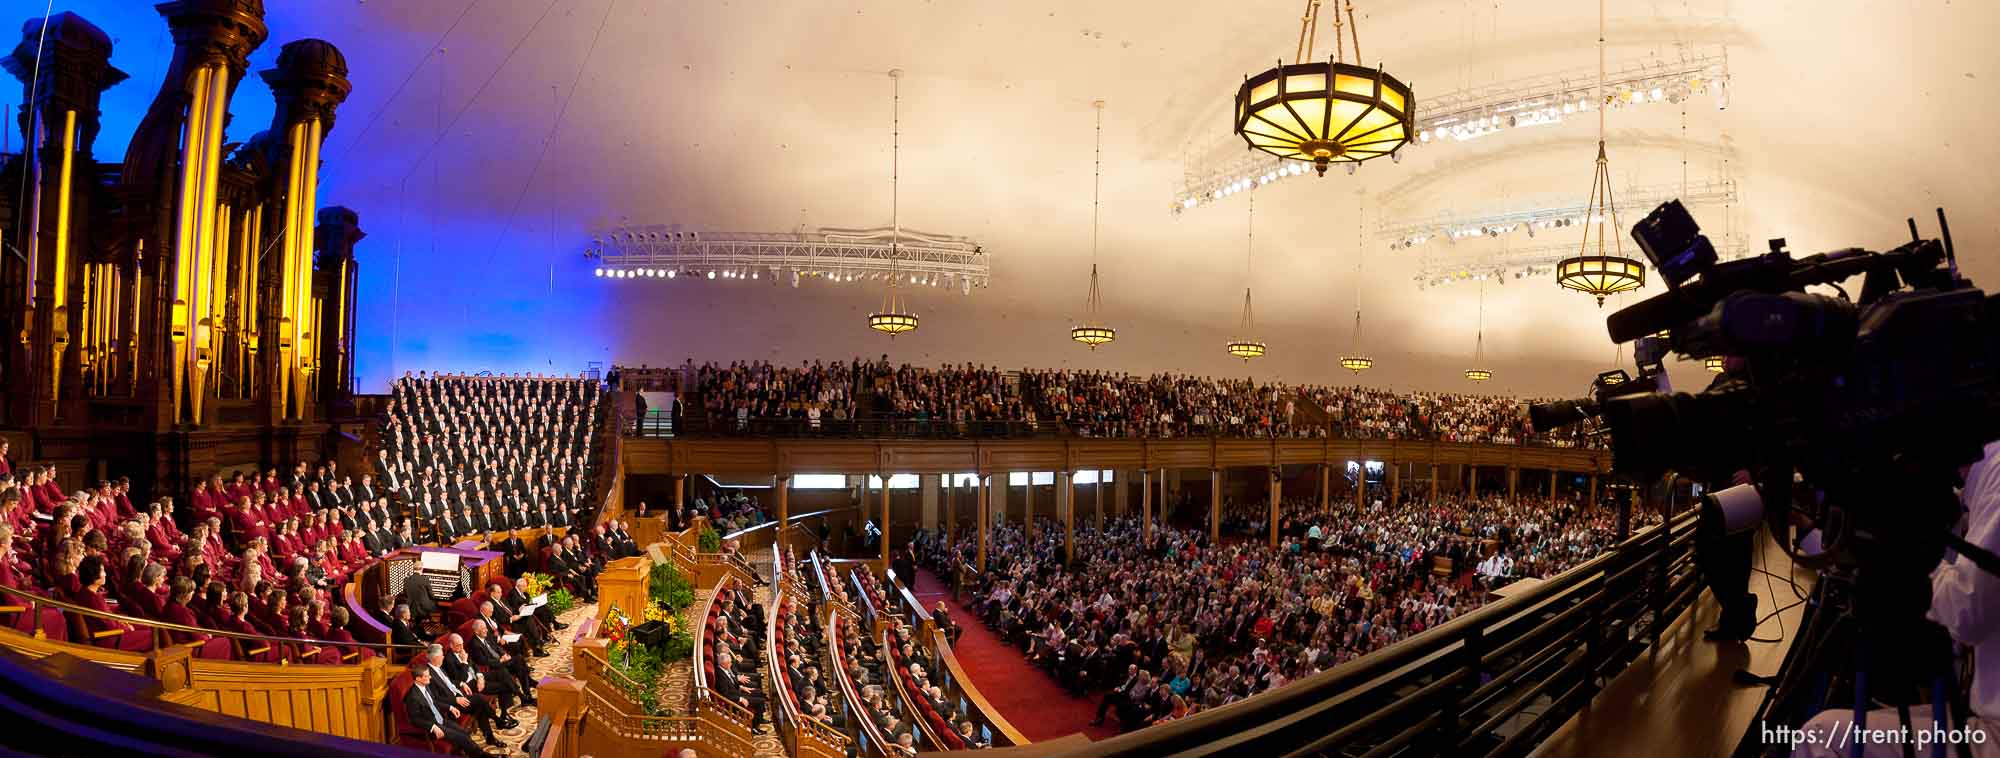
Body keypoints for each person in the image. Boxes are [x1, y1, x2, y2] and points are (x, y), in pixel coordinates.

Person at [1793, 439, 2000, 757]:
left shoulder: (1995, 468)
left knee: (1820, 736)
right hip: (1976, 706)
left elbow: (1966, 610)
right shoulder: (1971, 484)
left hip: (1993, 726)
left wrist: (1908, 557)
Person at [405, 665, 494, 758]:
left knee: (464, 732)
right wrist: (433, 727)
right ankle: (483, 756)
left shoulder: (425, 686)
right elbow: (415, 719)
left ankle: (475, 754)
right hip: (433, 726)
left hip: (441, 719)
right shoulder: (412, 697)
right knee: (462, 737)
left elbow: (434, 702)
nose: (430, 677)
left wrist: (450, 708)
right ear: (418, 679)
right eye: (427, 676)